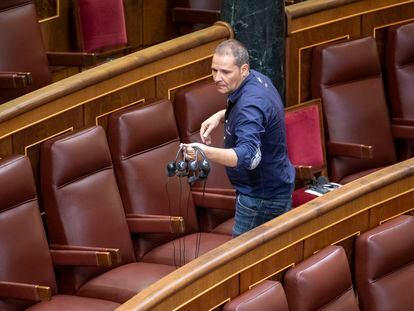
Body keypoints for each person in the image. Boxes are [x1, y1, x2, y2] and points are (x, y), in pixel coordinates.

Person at [183, 39, 295, 237]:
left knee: (244, 265)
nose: (217, 77)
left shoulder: (249, 106)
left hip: (260, 200)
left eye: (225, 72)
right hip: (275, 186)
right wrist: (222, 115)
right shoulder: (258, 80)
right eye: (214, 70)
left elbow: (248, 158)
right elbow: (259, 114)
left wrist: (204, 151)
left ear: (243, 69)